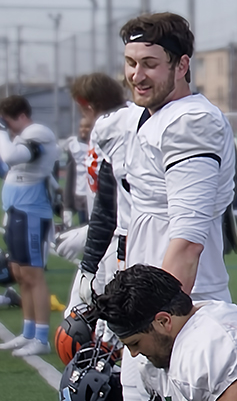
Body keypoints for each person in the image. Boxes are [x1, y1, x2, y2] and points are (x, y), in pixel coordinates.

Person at [119, 12, 236, 401]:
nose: (137, 75)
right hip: (158, 310)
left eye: (150, 64)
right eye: (131, 63)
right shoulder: (151, 116)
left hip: (178, 315)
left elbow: (187, 239)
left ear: (182, 65)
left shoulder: (190, 122)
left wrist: (153, 324)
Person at [95, 264, 237, 401]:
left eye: (135, 343)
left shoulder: (218, 340)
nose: (133, 354)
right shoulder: (168, 350)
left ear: (163, 321)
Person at [58, 73, 138, 322]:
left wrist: (89, 235)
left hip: (126, 242)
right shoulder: (104, 130)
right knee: (80, 321)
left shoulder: (125, 128)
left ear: (88, 105)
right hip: (106, 238)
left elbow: (124, 198)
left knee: (101, 325)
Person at [0, 95, 60, 356]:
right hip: (17, 212)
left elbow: (12, 157)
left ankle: (42, 337)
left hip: (32, 213)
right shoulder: (21, 137)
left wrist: (1, 132)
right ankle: (28, 332)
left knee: (33, 276)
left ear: (19, 116)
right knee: (20, 273)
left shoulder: (38, 132)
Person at [62, 116, 93, 226]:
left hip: (96, 195)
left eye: (87, 127)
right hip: (80, 194)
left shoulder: (99, 144)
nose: (83, 129)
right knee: (83, 227)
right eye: (81, 127)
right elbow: (70, 177)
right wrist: (67, 206)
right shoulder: (74, 146)